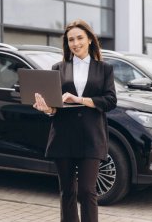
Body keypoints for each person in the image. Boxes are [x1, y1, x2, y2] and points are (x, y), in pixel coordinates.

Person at [33, 19, 117, 222]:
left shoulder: (104, 69)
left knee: (88, 191)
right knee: (67, 192)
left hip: (91, 136)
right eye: (71, 39)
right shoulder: (58, 68)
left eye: (79, 38)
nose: (75, 43)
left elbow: (110, 100)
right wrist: (47, 109)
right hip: (64, 136)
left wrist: (79, 99)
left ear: (89, 39)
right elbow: (54, 105)